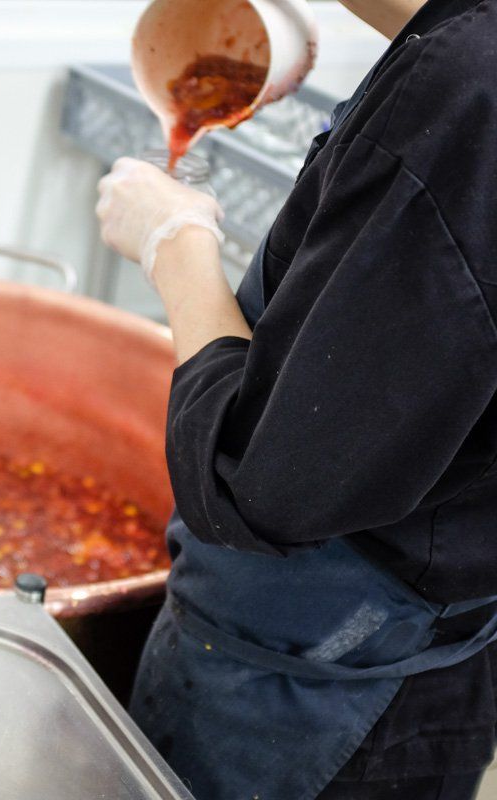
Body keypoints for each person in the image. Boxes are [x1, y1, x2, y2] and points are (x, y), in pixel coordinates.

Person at [96, 1, 497, 798]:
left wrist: (175, 246)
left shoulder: (466, 89)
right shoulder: (452, 56)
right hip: (426, 623)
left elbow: (262, 487)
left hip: (325, 677)